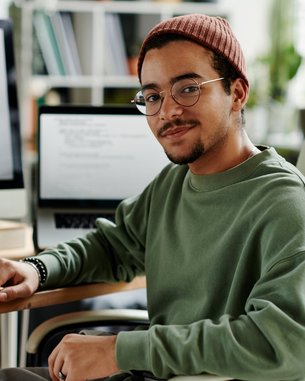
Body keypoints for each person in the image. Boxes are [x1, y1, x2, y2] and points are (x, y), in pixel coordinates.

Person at [1, 12, 305, 381]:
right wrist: (37, 269)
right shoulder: (174, 183)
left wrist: (121, 351)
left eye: (188, 88)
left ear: (237, 92)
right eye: (152, 96)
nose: (168, 111)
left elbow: (287, 343)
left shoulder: (286, 204)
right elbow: (113, 246)